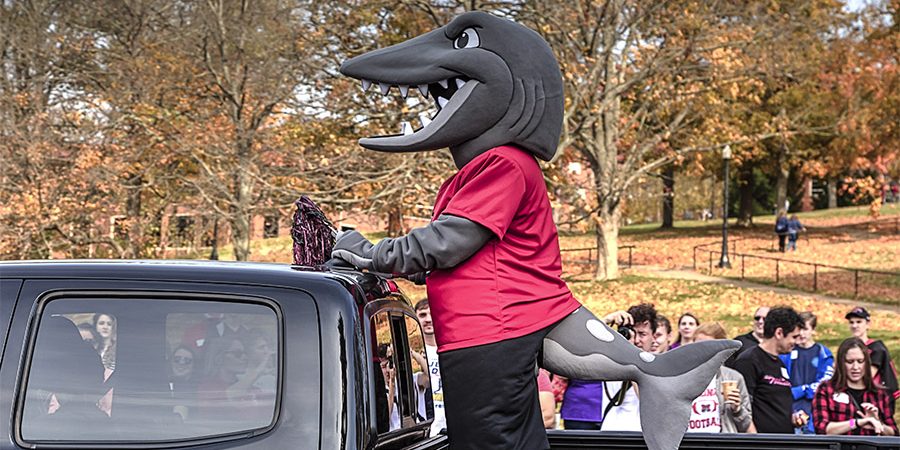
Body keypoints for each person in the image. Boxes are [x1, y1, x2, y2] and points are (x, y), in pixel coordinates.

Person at [558, 310, 635, 430]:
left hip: (614, 411)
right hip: (580, 411)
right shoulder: (581, 343)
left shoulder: (621, 347)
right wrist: (605, 321)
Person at [733, 306, 805, 433]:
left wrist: (792, 418)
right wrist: (755, 439)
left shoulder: (780, 364)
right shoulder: (748, 361)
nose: (796, 342)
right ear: (779, 333)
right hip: (762, 441)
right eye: (794, 337)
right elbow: (742, 408)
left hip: (784, 440)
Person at [812, 338, 897, 436]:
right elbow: (821, 428)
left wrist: (877, 423)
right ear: (841, 363)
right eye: (850, 362)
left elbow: (894, 433)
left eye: (860, 361)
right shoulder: (826, 389)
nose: (855, 367)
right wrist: (856, 423)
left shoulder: (880, 393)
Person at [600, 304, 658, 432]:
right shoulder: (612, 360)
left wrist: (632, 355)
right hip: (610, 434)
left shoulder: (660, 366)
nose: (636, 340)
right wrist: (606, 321)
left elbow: (650, 404)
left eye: (642, 334)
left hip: (642, 436)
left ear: (654, 336)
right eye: (632, 333)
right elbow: (582, 342)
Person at [693, 322, 756, 433]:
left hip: (721, 440)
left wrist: (737, 409)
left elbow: (746, 425)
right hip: (688, 441)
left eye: (708, 347)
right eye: (697, 346)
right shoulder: (682, 377)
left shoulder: (733, 378)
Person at [779, 311, 834, 434]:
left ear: (813, 330)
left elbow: (824, 382)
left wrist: (802, 390)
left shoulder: (823, 353)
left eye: (805, 329)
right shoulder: (787, 352)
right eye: (799, 329)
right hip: (790, 410)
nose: (801, 333)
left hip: (814, 412)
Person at [846, 306, 899, 412]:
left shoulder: (876, 349)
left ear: (868, 324)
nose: (854, 326)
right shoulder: (850, 348)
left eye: (859, 322)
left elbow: (867, 376)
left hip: (878, 400)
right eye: (851, 322)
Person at [415, 299, 446, 436]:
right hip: (427, 431)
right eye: (422, 315)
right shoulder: (412, 354)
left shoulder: (449, 350)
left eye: (432, 314)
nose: (428, 319)